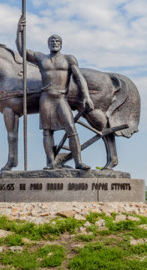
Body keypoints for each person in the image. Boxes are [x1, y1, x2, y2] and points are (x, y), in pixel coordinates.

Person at [16, 15, 94, 170]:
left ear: (61, 44)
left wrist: (86, 96)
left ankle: (78, 162)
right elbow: (22, 51)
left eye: (57, 41)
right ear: (48, 44)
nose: (54, 43)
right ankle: (51, 162)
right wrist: (19, 31)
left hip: (61, 98)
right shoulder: (41, 58)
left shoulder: (69, 59)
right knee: (47, 132)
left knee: (71, 129)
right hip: (46, 98)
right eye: (52, 41)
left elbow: (79, 78)